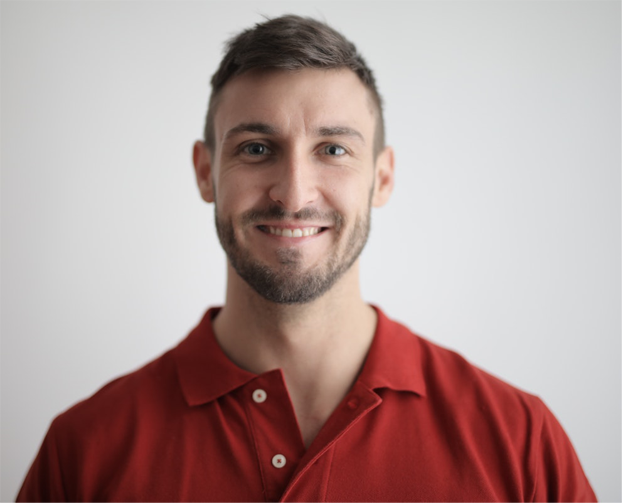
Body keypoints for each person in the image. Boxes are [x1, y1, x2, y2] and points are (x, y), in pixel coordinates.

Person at [17, 14, 596, 502]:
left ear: (383, 177)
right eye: (256, 148)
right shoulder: (84, 454)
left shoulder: (521, 442)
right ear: (204, 172)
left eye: (334, 149)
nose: (294, 195)